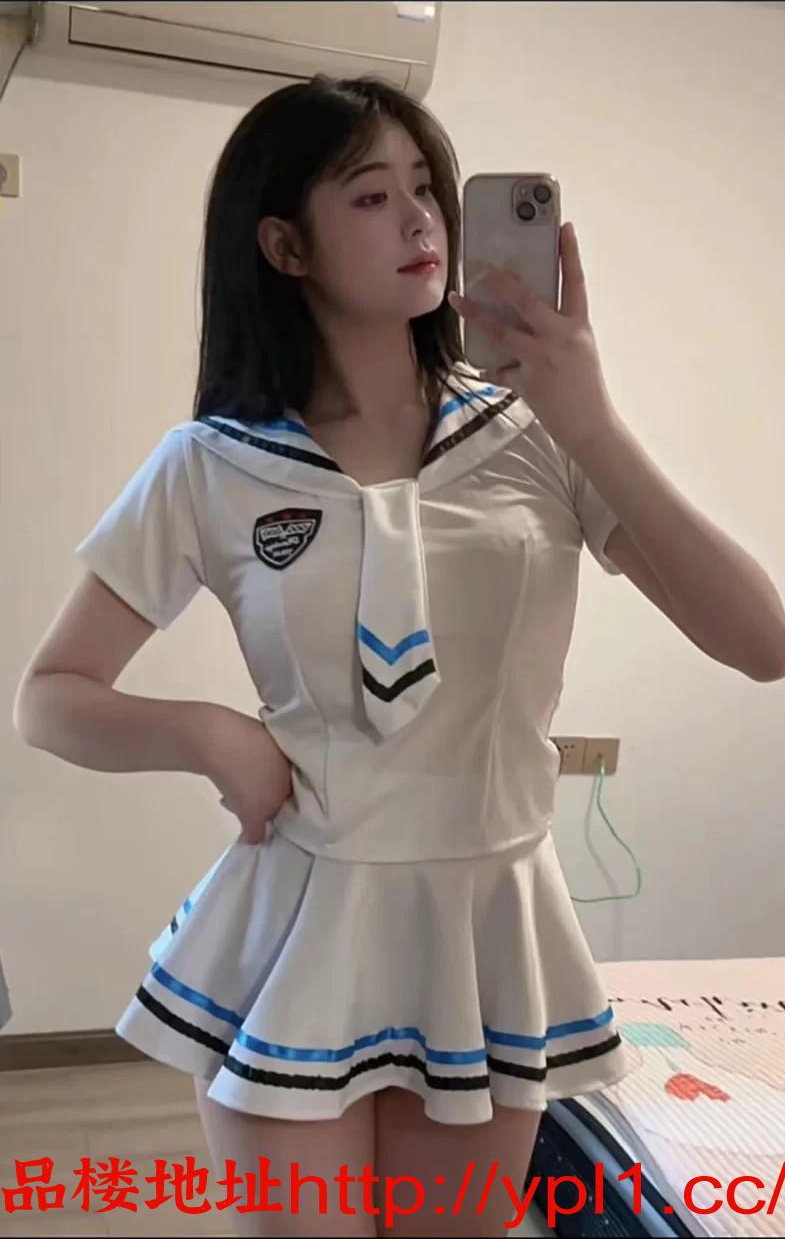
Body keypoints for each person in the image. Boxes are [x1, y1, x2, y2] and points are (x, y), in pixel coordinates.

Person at [13, 75, 636, 1237]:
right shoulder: (212, 463)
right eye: (369, 194)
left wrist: (588, 415)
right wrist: (210, 735)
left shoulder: (537, 433)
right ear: (284, 245)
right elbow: (49, 698)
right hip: (301, 920)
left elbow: (763, 643)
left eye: (426, 189)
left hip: (485, 924)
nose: (419, 219)